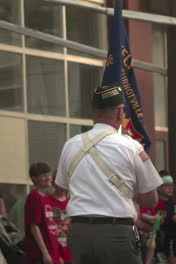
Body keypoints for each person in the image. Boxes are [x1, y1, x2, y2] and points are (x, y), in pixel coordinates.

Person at [55, 83, 163, 264]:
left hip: (79, 232)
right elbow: (151, 200)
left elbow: (61, 188)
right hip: (117, 232)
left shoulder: (71, 145)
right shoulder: (131, 146)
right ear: (120, 113)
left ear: (92, 111)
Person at [24, 162, 60, 264]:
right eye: (43, 175)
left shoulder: (48, 197)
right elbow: (34, 227)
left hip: (53, 252)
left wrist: (58, 255)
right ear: (34, 178)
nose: (48, 177)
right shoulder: (34, 197)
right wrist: (45, 253)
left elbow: (54, 225)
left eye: (49, 174)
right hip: (39, 254)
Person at [46, 171, 71, 264]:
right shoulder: (46, 201)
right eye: (59, 182)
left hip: (70, 251)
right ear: (53, 183)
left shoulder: (72, 203)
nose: (62, 186)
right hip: (54, 251)